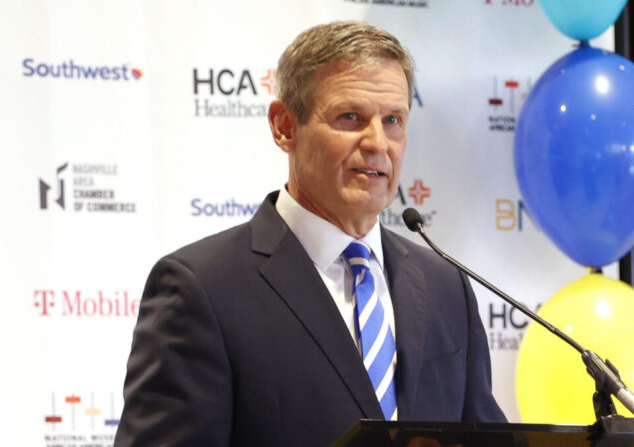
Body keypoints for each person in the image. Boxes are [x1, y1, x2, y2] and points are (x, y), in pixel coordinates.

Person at [114, 21, 505, 447]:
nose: (378, 142)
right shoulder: (201, 289)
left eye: (393, 120)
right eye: (350, 117)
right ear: (284, 126)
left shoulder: (445, 285)